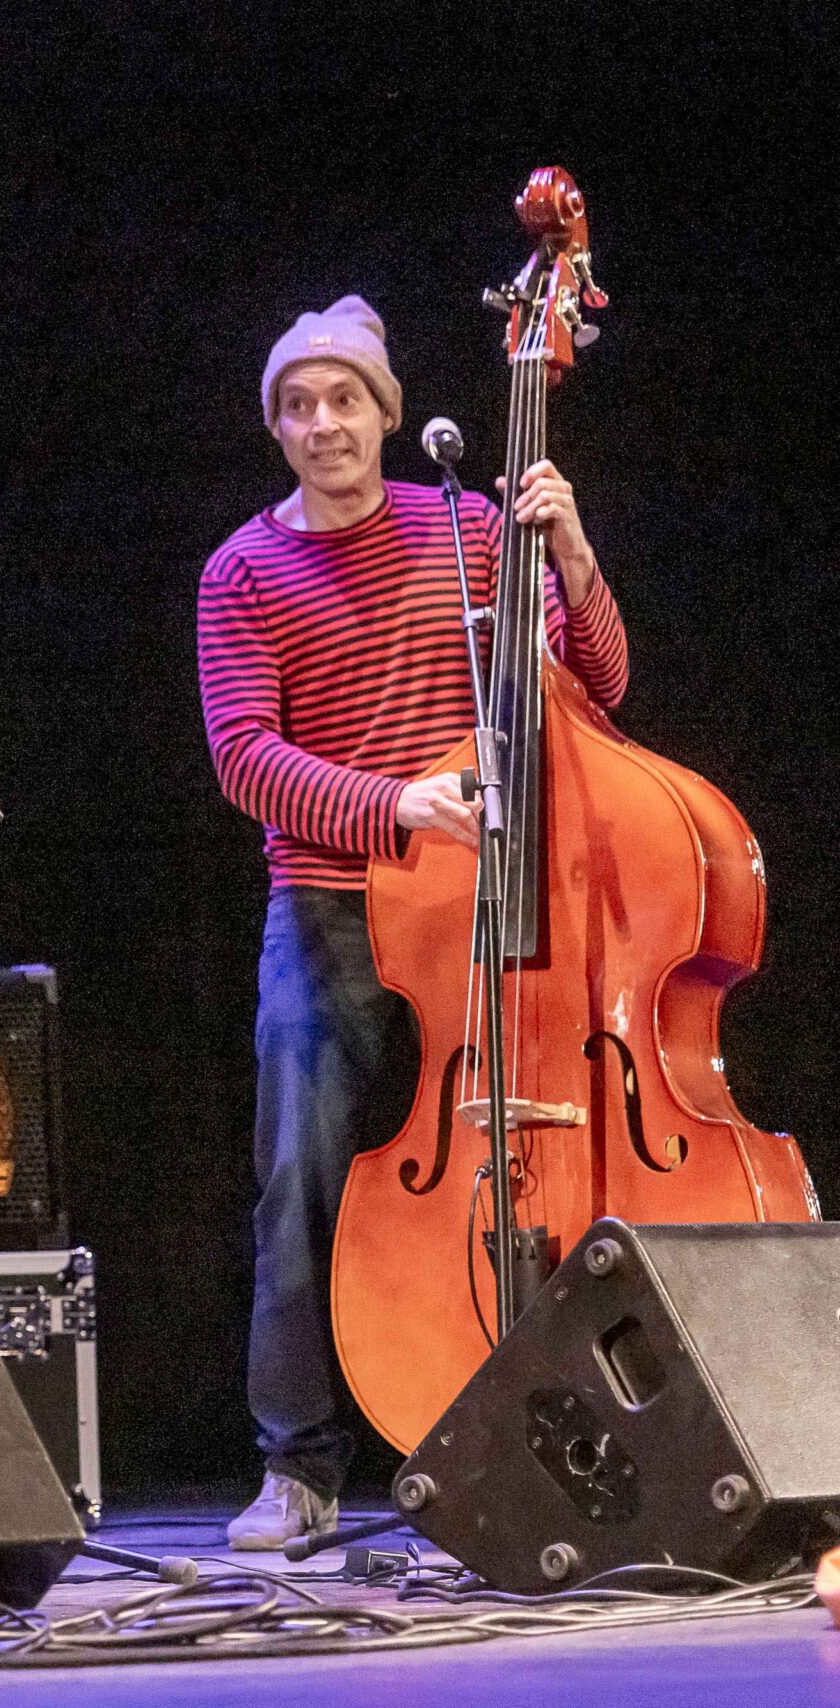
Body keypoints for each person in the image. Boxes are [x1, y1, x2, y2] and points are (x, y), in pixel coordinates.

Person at [195, 295, 628, 1550]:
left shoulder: (471, 534)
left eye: (343, 399)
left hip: (475, 910)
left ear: (387, 413)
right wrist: (396, 803)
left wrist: (579, 560)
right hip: (327, 902)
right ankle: (298, 1465)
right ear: (275, 428)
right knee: (299, 1179)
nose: (320, 422)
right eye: (295, 404)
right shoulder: (242, 570)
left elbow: (589, 692)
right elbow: (246, 760)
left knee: (517, 1169)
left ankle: (520, 1435)